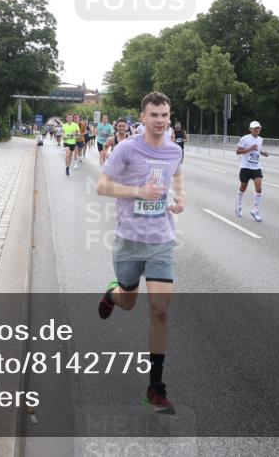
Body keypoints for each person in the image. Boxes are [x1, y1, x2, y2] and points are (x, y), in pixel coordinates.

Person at [96, 92, 186, 413]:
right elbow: (102, 186)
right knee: (129, 302)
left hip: (161, 239)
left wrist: (181, 197)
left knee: (160, 309)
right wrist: (139, 191)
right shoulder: (126, 149)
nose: (160, 120)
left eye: (165, 115)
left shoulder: (175, 150)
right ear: (143, 117)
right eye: (154, 115)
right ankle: (113, 294)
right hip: (129, 239)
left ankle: (155, 387)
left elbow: (176, 174)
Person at [235, 121, 270, 222]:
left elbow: (257, 150)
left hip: (256, 167)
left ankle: (255, 210)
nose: (256, 130)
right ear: (250, 129)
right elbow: (238, 151)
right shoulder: (245, 138)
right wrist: (250, 148)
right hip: (245, 167)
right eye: (255, 128)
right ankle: (239, 205)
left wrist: (263, 153)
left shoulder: (260, 139)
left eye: (258, 128)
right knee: (243, 187)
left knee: (259, 188)